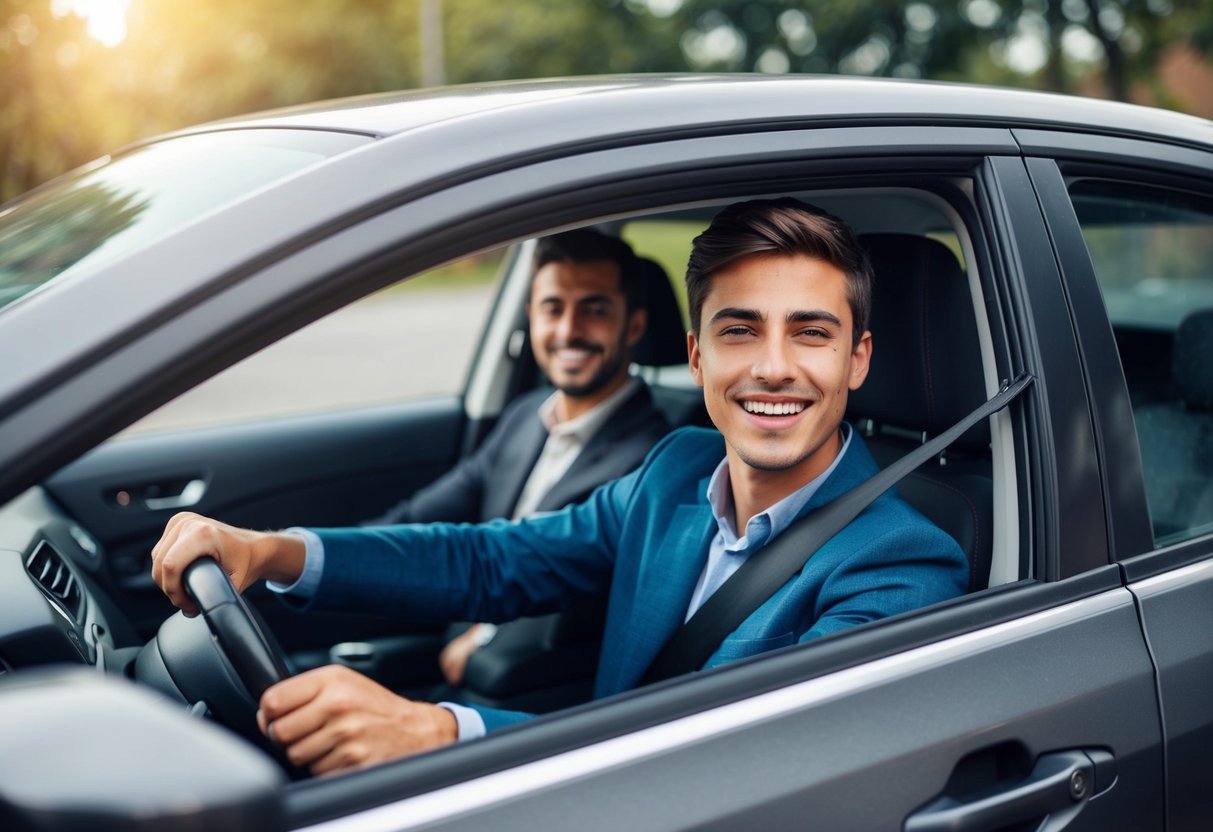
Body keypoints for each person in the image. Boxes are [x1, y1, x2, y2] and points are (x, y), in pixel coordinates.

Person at [151, 198, 969, 776]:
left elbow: (744, 763)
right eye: (739, 330)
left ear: (856, 360)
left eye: (810, 333)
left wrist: (441, 732)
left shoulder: (901, 562)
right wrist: (274, 552)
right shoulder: (675, 469)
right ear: (695, 357)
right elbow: (495, 561)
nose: (772, 367)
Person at [364, 228, 671, 690]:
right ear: (531, 317)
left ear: (634, 325)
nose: (569, 330)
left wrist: (484, 638)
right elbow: (418, 519)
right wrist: (304, 557)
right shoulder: (525, 416)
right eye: (553, 308)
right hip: (459, 664)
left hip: (534, 688)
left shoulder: (653, 459)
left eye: (595, 309)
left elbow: (578, 598)